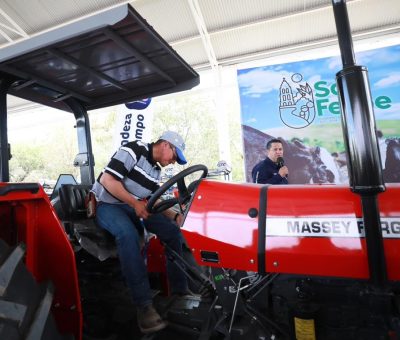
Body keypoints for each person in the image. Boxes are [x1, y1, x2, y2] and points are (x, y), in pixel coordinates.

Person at [91, 131, 189, 334]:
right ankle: (144, 306)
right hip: (107, 205)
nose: (173, 162)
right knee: (127, 235)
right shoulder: (133, 150)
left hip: (131, 206)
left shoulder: (155, 171)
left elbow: (155, 198)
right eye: (174, 156)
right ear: (165, 145)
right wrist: (134, 203)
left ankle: (180, 291)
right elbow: (107, 181)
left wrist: (176, 217)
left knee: (172, 232)